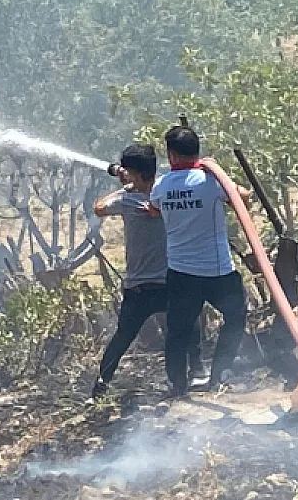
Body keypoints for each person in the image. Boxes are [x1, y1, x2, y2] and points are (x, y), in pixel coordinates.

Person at [147, 125, 251, 396]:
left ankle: (177, 384)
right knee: (236, 316)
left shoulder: (161, 185)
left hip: (181, 273)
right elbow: (244, 199)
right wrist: (218, 171)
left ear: (171, 156)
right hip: (218, 272)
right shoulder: (211, 182)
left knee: (178, 331)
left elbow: (154, 209)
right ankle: (220, 373)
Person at [90, 144, 176, 399]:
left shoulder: (127, 200)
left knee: (122, 338)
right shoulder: (167, 193)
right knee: (178, 332)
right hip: (168, 280)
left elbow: (99, 207)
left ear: (134, 174)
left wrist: (123, 186)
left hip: (138, 286)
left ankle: (100, 386)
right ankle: (182, 380)